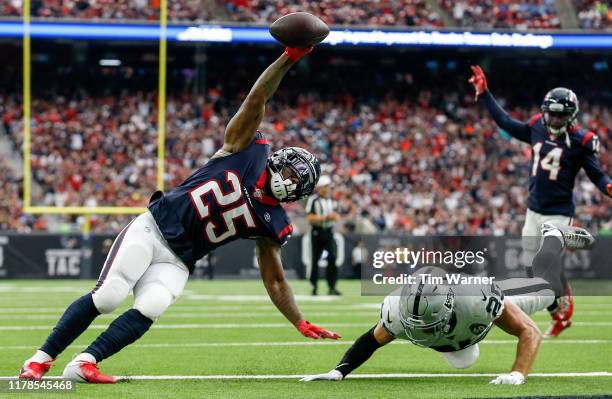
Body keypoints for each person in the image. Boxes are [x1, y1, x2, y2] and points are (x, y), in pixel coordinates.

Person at [19, 45, 340, 384]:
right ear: (278, 161)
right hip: (154, 227)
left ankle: (85, 362)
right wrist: (289, 57)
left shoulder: (274, 222)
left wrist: (298, 320)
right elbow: (257, 98)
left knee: (152, 305)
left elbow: (275, 279)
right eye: (291, 173)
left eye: (298, 182)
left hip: (180, 259)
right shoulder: (247, 150)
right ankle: (39, 360)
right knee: (109, 295)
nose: (289, 182)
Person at [301, 224, 594, 385]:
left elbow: (528, 331)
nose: (419, 330)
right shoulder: (400, 311)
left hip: (491, 301)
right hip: (461, 325)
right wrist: (339, 371)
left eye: (426, 324)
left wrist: (518, 373)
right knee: (464, 361)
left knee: (547, 285)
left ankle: (553, 237)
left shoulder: (478, 302)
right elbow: (371, 340)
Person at [469, 65, 611, 337]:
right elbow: (507, 123)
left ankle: (564, 306)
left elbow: (597, 173)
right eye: (552, 115)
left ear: (571, 116)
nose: (555, 120)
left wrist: (608, 187)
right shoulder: (536, 127)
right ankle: (558, 311)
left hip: (558, 214)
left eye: (560, 116)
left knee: (547, 266)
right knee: (532, 270)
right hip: (533, 210)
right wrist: (485, 93)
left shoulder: (581, 142)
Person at [305, 175, 341, 295]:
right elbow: (309, 217)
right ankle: (314, 287)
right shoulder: (313, 200)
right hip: (317, 232)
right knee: (315, 260)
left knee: (332, 258)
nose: (328, 189)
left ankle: (332, 287)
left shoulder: (333, 201)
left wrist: (335, 217)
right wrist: (325, 217)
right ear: (320, 188)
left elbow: (338, 216)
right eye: (326, 186)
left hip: (329, 232)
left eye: (328, 187)